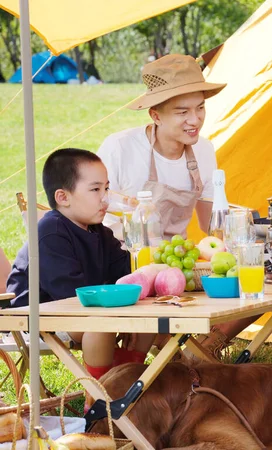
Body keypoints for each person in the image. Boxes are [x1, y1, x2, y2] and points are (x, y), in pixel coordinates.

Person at [6, 149, 155, 379]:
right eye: (95, 189)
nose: (105, 198)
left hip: (82, 310)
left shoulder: (100, 232)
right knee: (100, 324)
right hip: (37, 316)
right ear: (63, 197)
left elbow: (127, 274)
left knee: (148, 311)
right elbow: (69, 297)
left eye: (106, 188)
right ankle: (99, 396)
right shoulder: (50, 232)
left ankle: (126, 376)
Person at [97, 53, 226, 240]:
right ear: (156, 116)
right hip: (124, 255)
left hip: (178, 257)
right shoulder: (119, 148)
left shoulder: (204, 150)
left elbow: (211, 225)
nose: (195, 120)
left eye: (200, 108)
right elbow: (92, 216)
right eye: (183, 112)